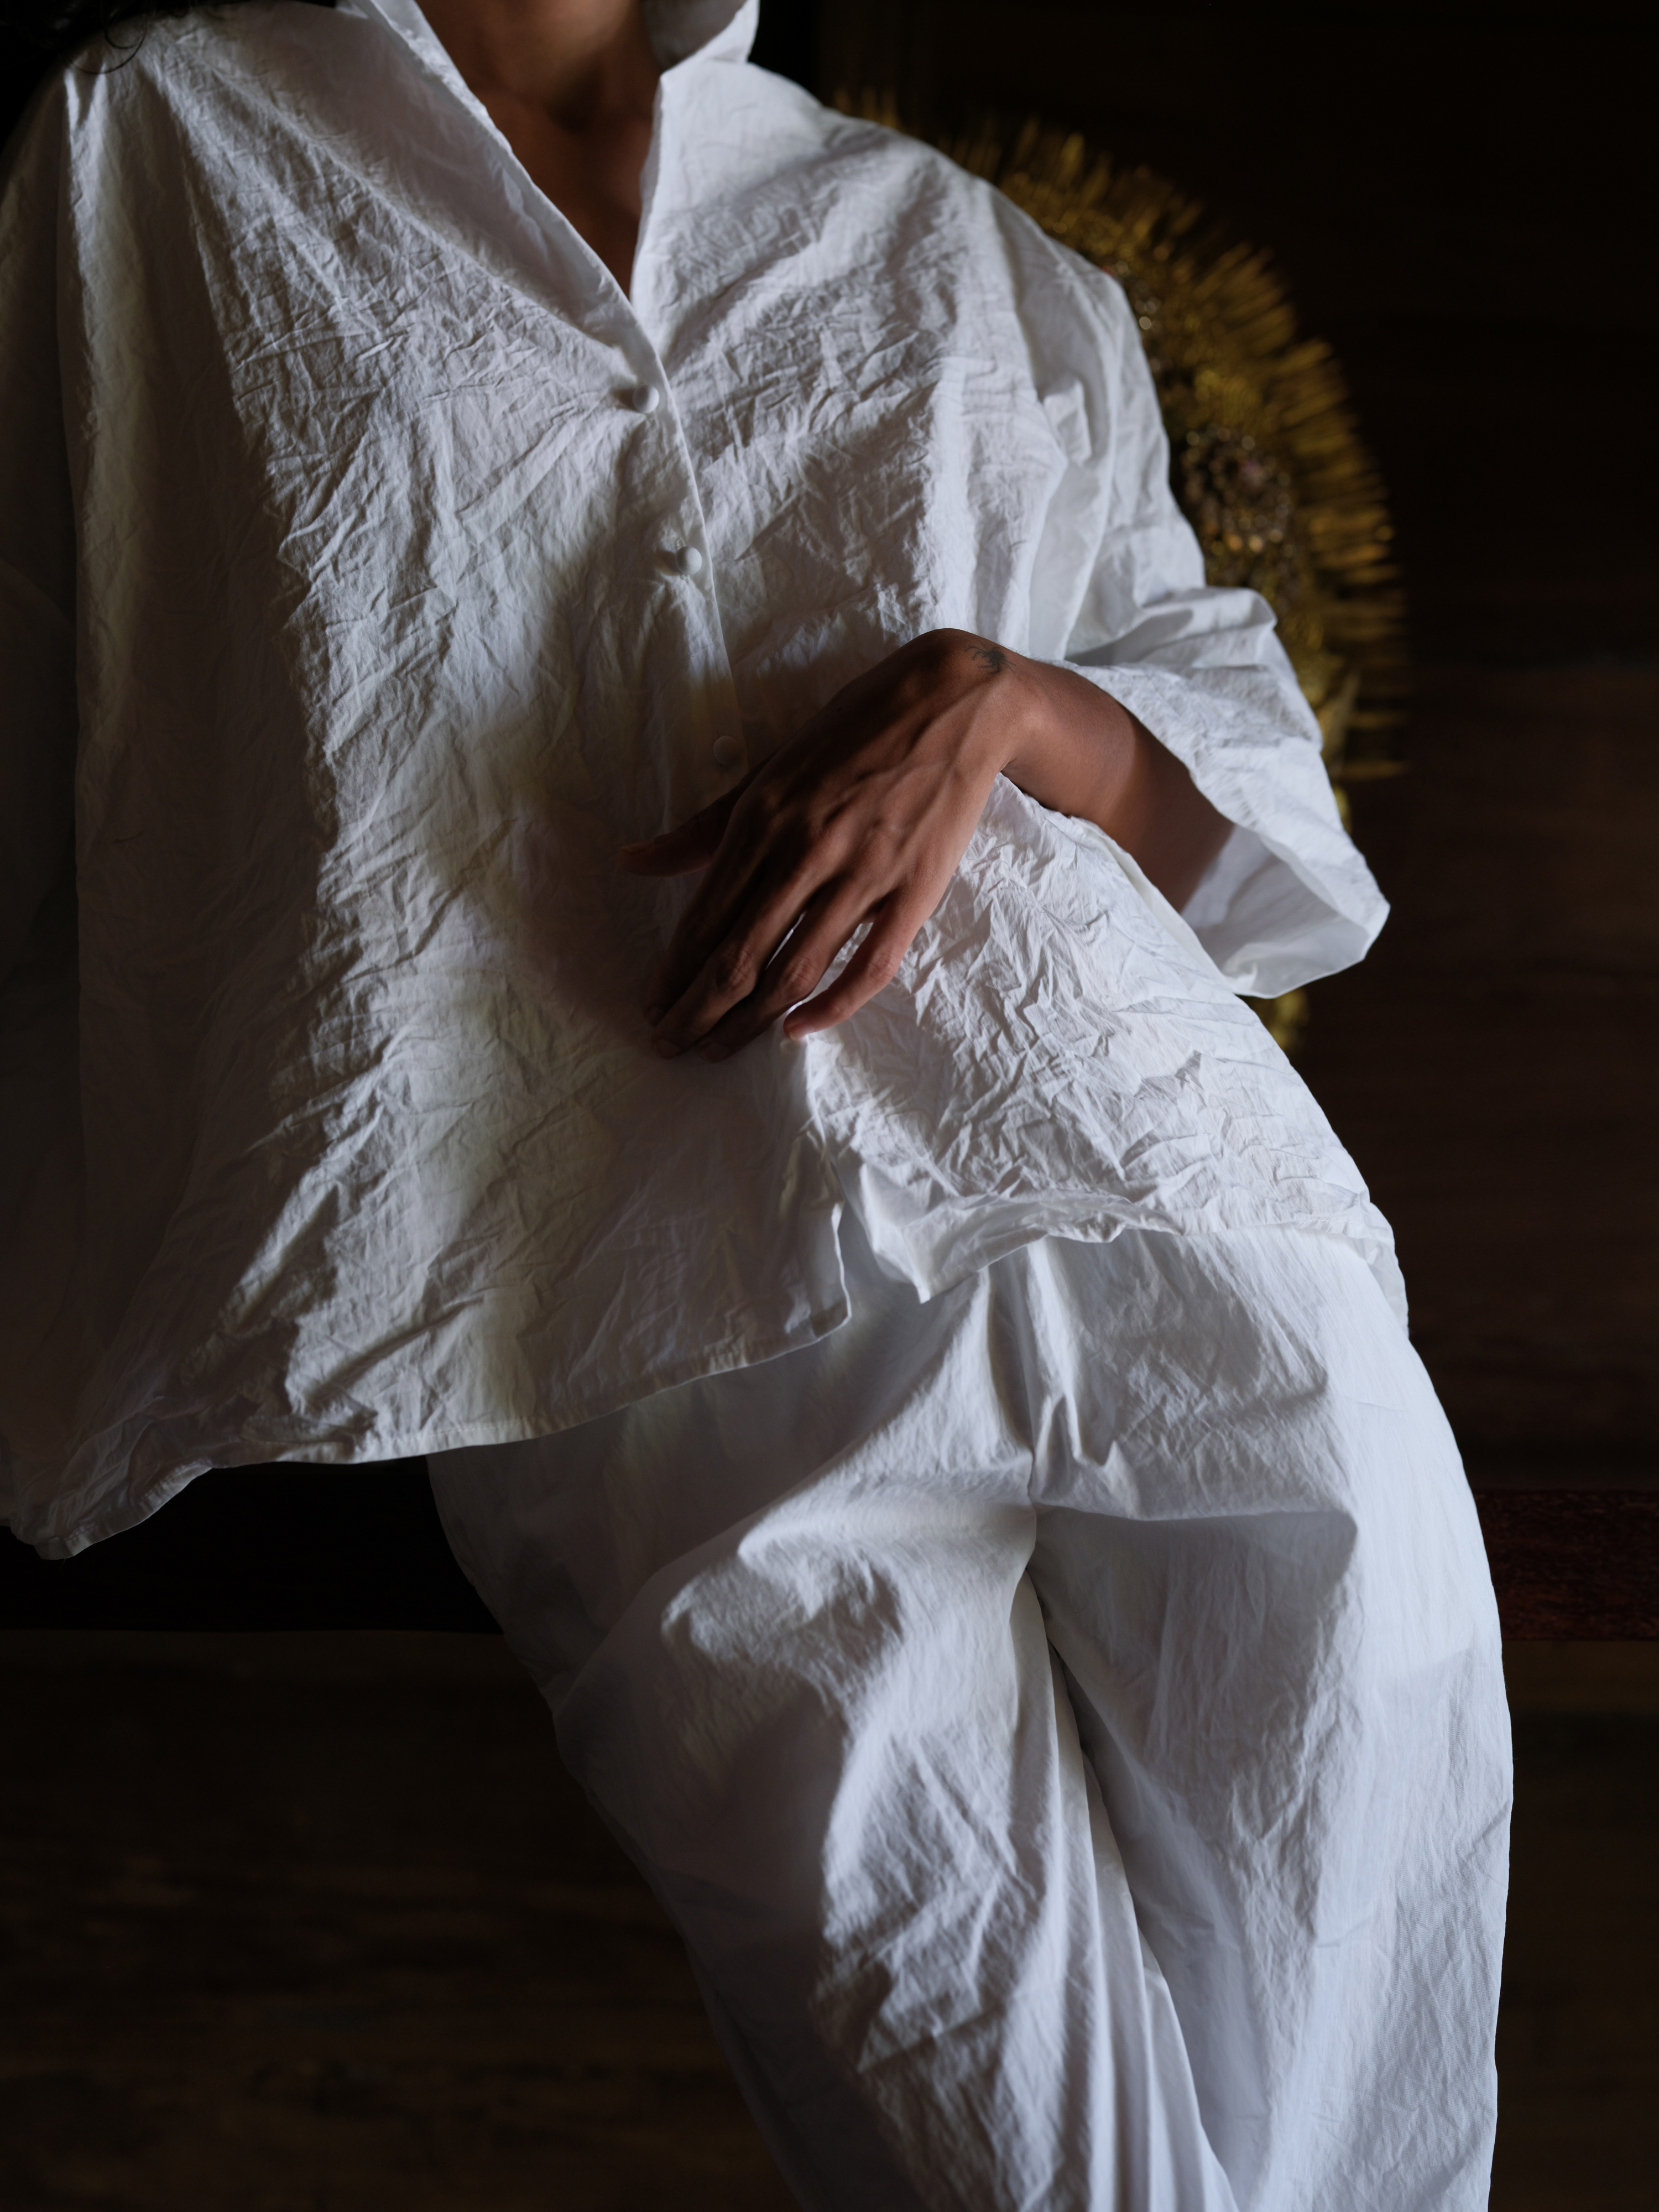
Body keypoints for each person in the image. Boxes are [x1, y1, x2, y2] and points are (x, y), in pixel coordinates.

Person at [0, 1, 1510, 2204]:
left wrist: (993, 706)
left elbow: (1248, 824)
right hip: (633, 1325)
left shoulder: (962, 250)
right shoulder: (160, 146)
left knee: (1373, 2046)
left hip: (1166, 1195)